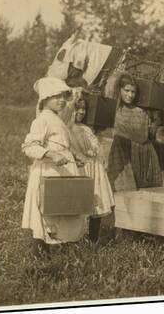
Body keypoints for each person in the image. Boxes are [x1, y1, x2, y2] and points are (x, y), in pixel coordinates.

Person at [21, 77, 89, 256]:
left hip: (63, 171)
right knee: (48, 209)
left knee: (64, 207)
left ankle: (61, 246)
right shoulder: (42, 119)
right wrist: (50, 154)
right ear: (44, 99)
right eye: (55, 96)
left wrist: (73, 156)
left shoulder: (57, 119)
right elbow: (29, 146)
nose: (61, 100)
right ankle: (41, 250)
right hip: (49, 171)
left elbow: (62, 143)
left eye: (62, 96)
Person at [69, 97, 116, 243]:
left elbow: (96, 148)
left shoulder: (86, 128)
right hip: (81, 168)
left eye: (84, 109)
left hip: (94, 168)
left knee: (96, 203)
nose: (81, 112)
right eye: (78, 108)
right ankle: (74, 237)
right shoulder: (67, 129)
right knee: (80, 204)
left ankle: (93, 239)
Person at [106, 73, 162, 190]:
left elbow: (145, 136)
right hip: (121, 154)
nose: (130, 95)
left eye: (133, 92)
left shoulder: (141, 112)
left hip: (142, 154)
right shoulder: (114, 111)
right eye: (126, 90)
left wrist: (155, 121)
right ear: (119, 90)